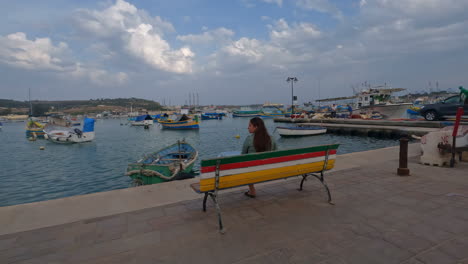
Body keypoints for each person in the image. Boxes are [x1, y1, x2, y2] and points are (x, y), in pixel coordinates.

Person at [242, 117, 277, 198]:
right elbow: (276, 152)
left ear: (256, 127)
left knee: (247, 166)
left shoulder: (249, 139)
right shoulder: (271, 138)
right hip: (269, 170)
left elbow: (243, 155)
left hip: (253, 170)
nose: (248, 127)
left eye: (250, 125)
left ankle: (252, 191)